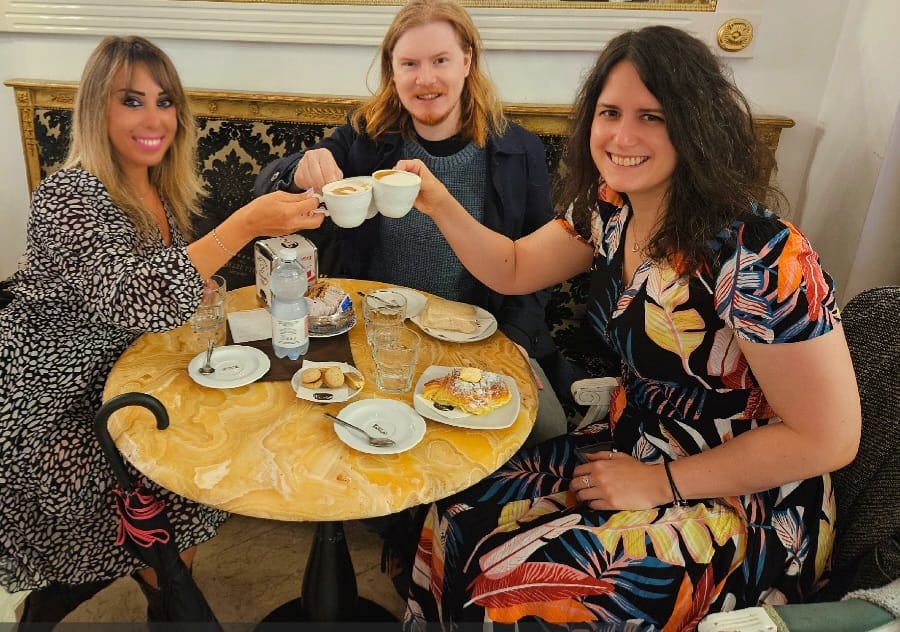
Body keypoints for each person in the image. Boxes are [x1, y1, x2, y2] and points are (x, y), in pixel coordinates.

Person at [397, 25, 862, 628]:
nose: (622, 136)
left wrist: (661, 483)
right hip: (633, 443)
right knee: (453, 514)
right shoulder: (609, 207)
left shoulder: (763, 256)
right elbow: (513, 267)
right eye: (609, 112)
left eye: (652, 117)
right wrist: (437, 201)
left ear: (696, 125)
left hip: (743, 494)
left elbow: (830, 438)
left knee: (519, 593)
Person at [0, 36, 323, 624]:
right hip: (55, 407)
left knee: (204, 448)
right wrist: (246, 222)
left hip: (126, 375)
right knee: (171, 486)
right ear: (96, 108)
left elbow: (154, 290)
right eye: (132, 100)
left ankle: (147, 594)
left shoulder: (155, 188)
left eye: (165, 100)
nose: (155, 118)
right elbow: (134, 295)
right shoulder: (68, 195)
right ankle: (155, 600)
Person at [254, 0, 571, 446]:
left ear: (467, 61)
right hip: (375, 330)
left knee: (548, 432)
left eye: (440, 60)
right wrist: (298, 169)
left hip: (480, 334)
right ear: (393, 71)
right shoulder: (367, 137)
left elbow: (540, 264)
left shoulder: (518, 151)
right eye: (409, 64)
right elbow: (267, 186)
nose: (425, 79)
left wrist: (517, 335)